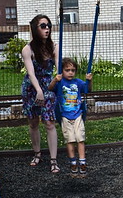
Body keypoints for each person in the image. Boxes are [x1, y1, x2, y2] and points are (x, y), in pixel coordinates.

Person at [21, 14, 61, 173]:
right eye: (43, 26)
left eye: (49, 26)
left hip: (48, 87)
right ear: (34, 29)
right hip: (31, 89)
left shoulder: (55, 47)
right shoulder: (27, 49)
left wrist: (61, 81)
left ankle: (53, 160)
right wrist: (38, 91)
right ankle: (37, 153)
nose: (47, 29)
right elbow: (30, 73)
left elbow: (58, 69)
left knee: (49, 123)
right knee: (33, 122)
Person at [48, 58, 92, 176]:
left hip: (78, 115)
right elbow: (50, 88)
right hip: (65, 116)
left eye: (73, 70)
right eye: (67, 70)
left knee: (80, 138)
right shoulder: (60, 82)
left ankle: (82, 162)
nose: (71, 72)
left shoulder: (78, 82)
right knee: (70, 140)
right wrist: (55, 79)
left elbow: (87, 90)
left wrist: (89, 81)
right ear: (62, 71)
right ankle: (73, 162)